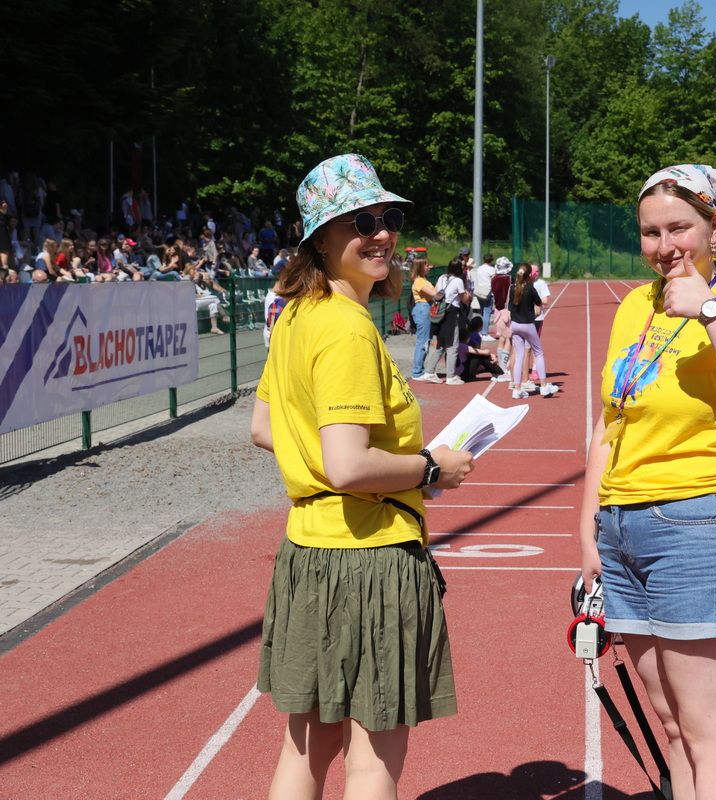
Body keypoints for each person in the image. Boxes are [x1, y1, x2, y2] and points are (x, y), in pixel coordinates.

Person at [250, 153, 474, 799]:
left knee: (305, 751)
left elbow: (266, 429)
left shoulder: (295, 312)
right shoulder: (347, 328)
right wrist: (430, 466)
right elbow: (348, 465)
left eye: (388, 217)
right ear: (321, 237)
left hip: (308, 552)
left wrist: (351, 467)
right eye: (360, 220)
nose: (381, 232)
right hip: (369, 559)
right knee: (372, 763)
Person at [578, 164, 716, 800]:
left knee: (708, 732)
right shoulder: (636, 308)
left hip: (698, 527)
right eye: (650, 232)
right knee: (671, 725)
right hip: (621, 530)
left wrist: (711, 310)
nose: (665, 245)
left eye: (680, 228)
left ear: (714, 227)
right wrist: (586, 526)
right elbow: (609, 423)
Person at [507, 262, 558, 399]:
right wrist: (534, 313)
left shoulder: (512, 288)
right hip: (528, 324)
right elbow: (539, 303)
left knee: (519, 355)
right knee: (538, 352)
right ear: (529, 275)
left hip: (515, 325)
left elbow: (510, 307)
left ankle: (517, 388)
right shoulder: (530, 288)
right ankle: (543, 386)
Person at [419, 255, 471, 385]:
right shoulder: (458, 281)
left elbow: (436, 293)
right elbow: (464, 299)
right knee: (453, 346)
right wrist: (467, 288)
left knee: (440, 345)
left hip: (439, 312)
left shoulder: (442, 277)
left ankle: (429, 371)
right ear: (460, 269)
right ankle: (451, 376)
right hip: (451, 313)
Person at [408, 256, 437, 379]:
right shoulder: (419, 281)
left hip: (427, 308)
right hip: (423, 308)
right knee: (423, 340)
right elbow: (434, 294)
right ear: (420, 267)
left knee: (426, 340)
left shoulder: (424, 279)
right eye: (426, 265)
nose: (428, 267)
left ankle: (420, 369)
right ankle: (417, 371)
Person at [457, 316, 507, 381]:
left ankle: (496, 371)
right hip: (462, 374)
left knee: (481, 357)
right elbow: (480, 351)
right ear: (467, 339)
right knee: (480, 356)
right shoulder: (465, 345)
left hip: (460, 369)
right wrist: (491, 355)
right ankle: (500, 372)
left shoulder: (456, 345)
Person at [474, 253, 496, 339]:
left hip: (480, 292)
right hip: (488, 292)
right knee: (487, 312)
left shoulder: (479, 268)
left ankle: (481, 331)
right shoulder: (491, 269)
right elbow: (494, 280)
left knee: (482, 312)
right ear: (491, 261)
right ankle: (485, 333)